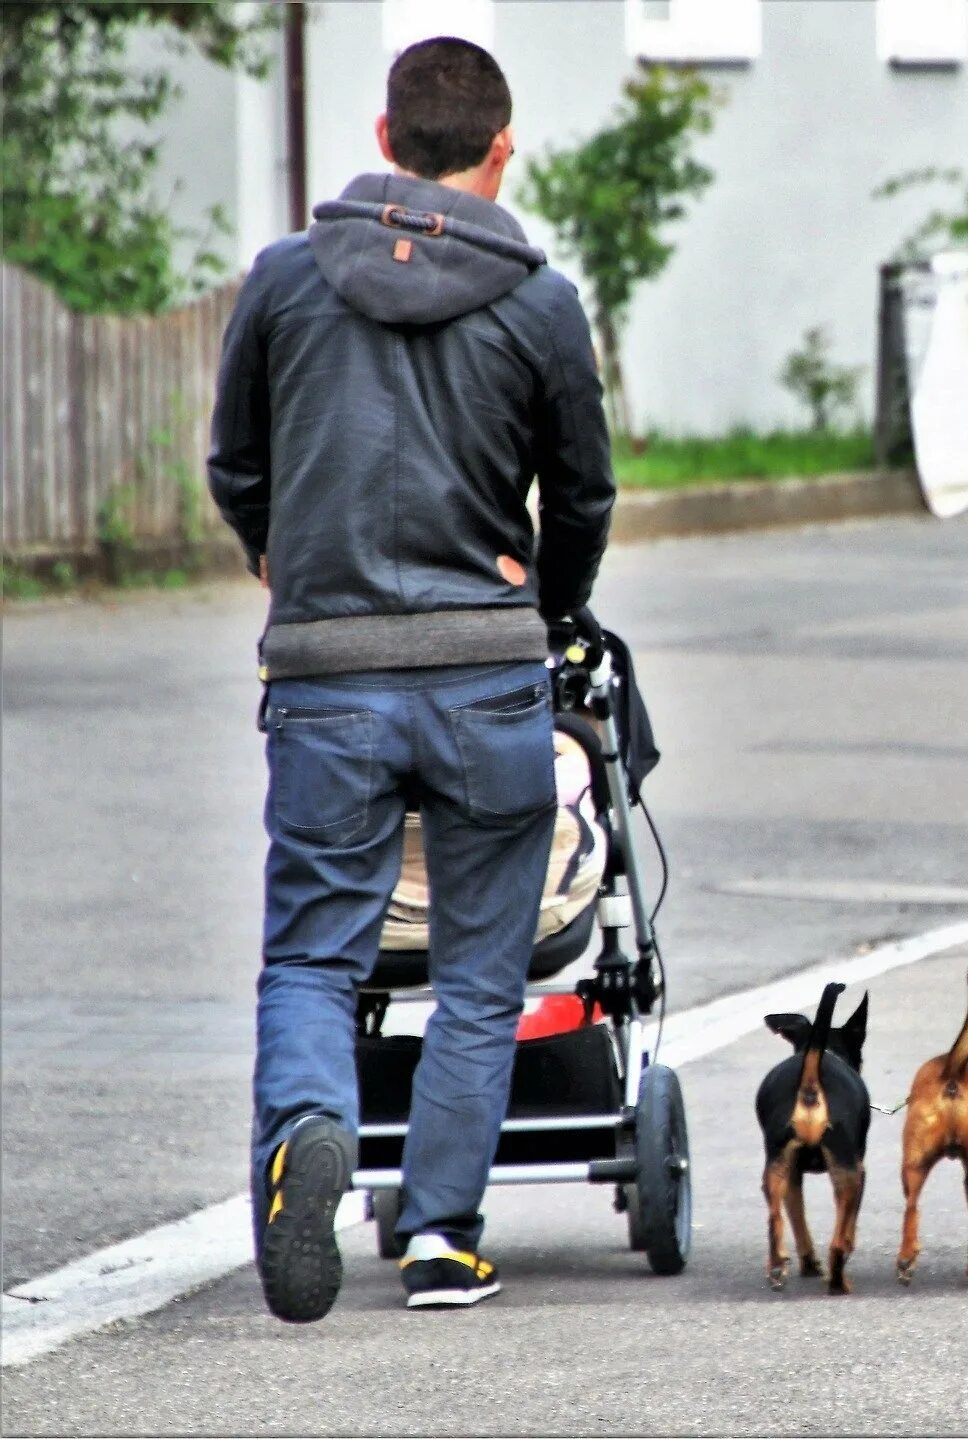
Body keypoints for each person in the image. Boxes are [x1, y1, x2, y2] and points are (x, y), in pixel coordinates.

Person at [208, 37, 615, 1319]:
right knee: (484, 969)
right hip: (486, 672)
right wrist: (542, 608)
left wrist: (283, 559)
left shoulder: (283, 281)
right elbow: (586, 491)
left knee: (314, 953)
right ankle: (441, 1234)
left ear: (384, 139)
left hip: (326, 675)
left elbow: (234, 462)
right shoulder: (539, 302)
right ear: (502, 151)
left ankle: (311, 1133)